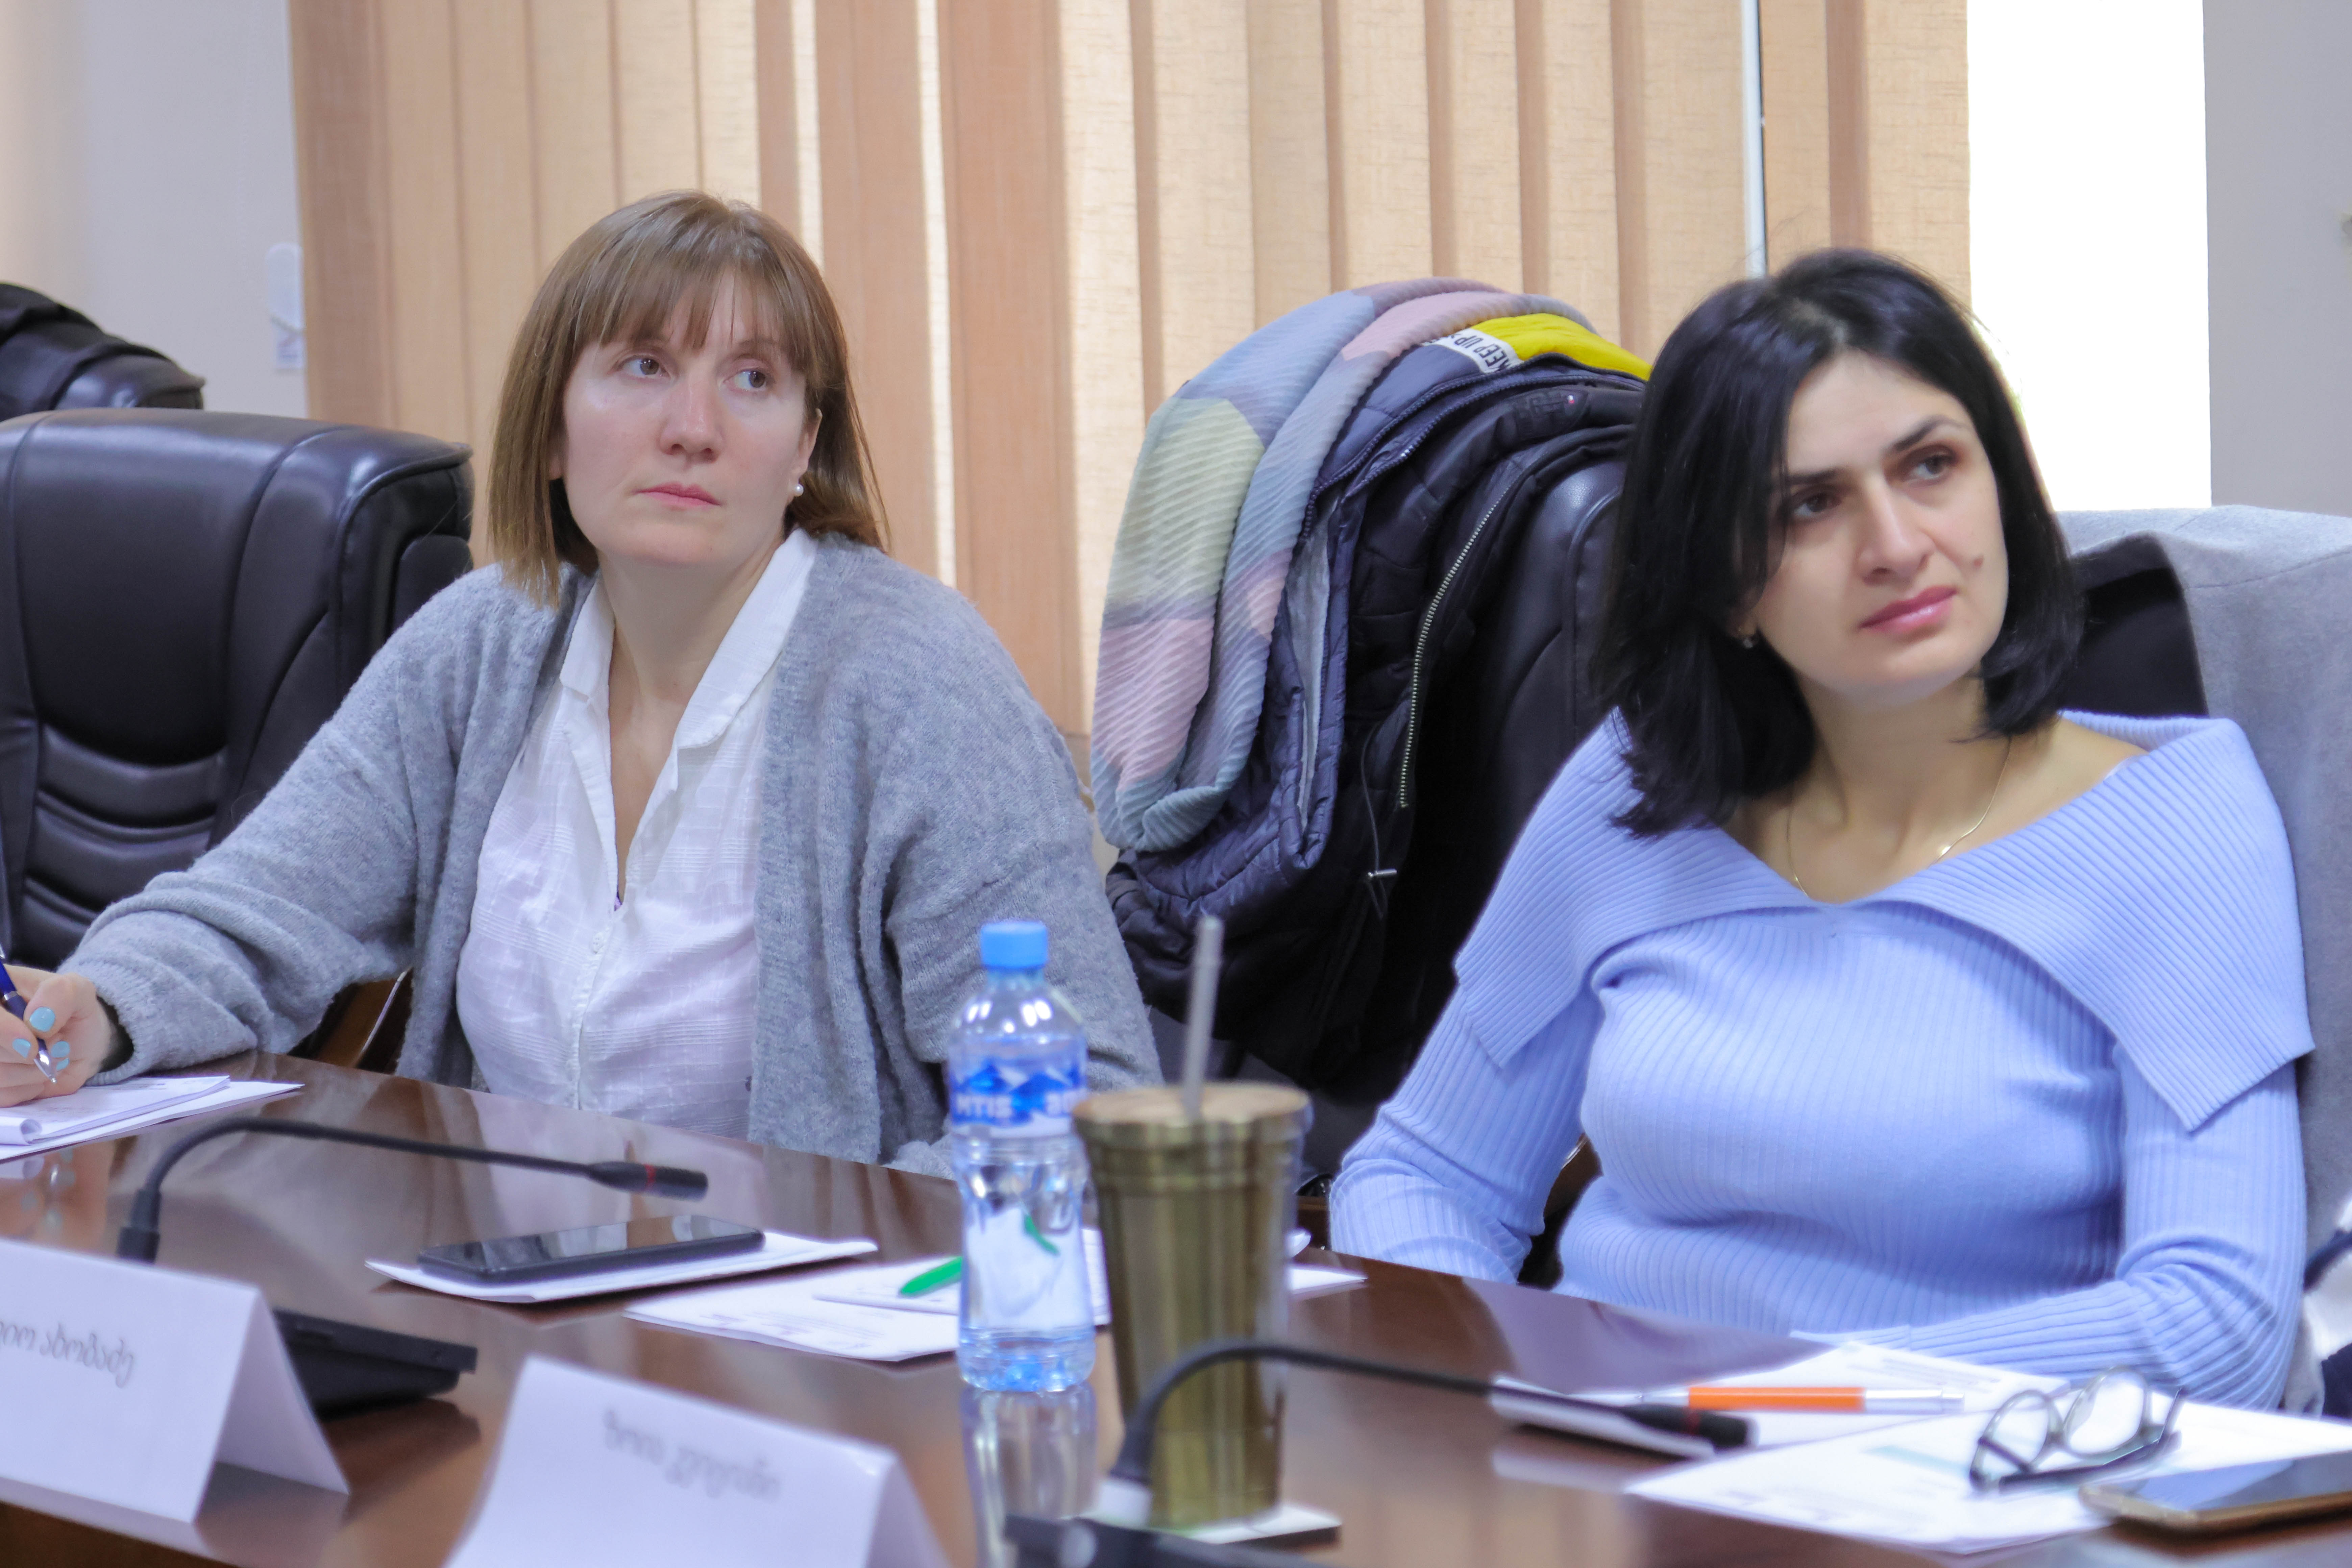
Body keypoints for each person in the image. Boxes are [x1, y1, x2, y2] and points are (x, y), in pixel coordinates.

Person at [1329, 250, 2311, 1406]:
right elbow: (1426, 1174)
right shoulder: (1638, 795)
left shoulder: (2171, 822)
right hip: (1606, 1456)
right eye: (1810, 505)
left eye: (1931, 466)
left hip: (1956, 1474)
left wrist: (1768, 1405)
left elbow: (2215, 1326)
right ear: (1725, 585)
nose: (1895, 545)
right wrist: (1508, 1400)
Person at [0, 191, 1157, 1171]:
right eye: (644, 367)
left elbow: (1086, 1105)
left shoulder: (919, 685)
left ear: (806, 448)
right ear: (551, 428)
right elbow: (260, 910)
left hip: (814, 1333)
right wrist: (91, 1008)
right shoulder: (483, 644)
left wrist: (840, 1254)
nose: (693, 428)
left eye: (753, 379)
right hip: (497, 1305)